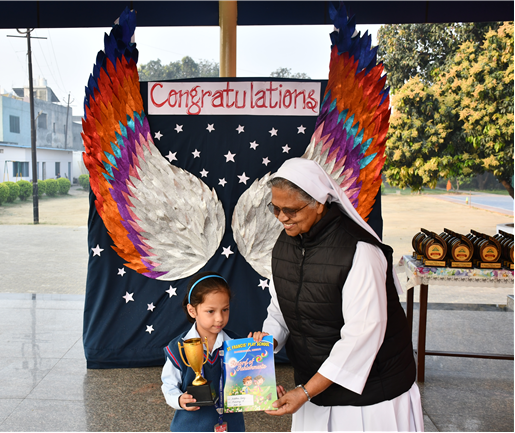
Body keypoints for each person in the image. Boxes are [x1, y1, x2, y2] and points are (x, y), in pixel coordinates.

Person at [249, 157, 424, 432]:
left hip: (370, 399)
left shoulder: (359, 251)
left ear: (319, 204)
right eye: (275, 208)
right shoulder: (285, 244)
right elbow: (281, 308)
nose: (281, 218)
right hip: (314, 388)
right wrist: (267, 343)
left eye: (291, 210)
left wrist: (305, 391)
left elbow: (361, 336)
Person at [161, 272, 245, 432]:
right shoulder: (178, 348)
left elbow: (252, 381)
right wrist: (179, 399)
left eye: (225, 309)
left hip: (231, 426)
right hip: (190, 427)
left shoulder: (238, 345)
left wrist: (266, 388)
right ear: (192, 311)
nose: (219, 318)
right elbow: (169, 385)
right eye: (211, 311)